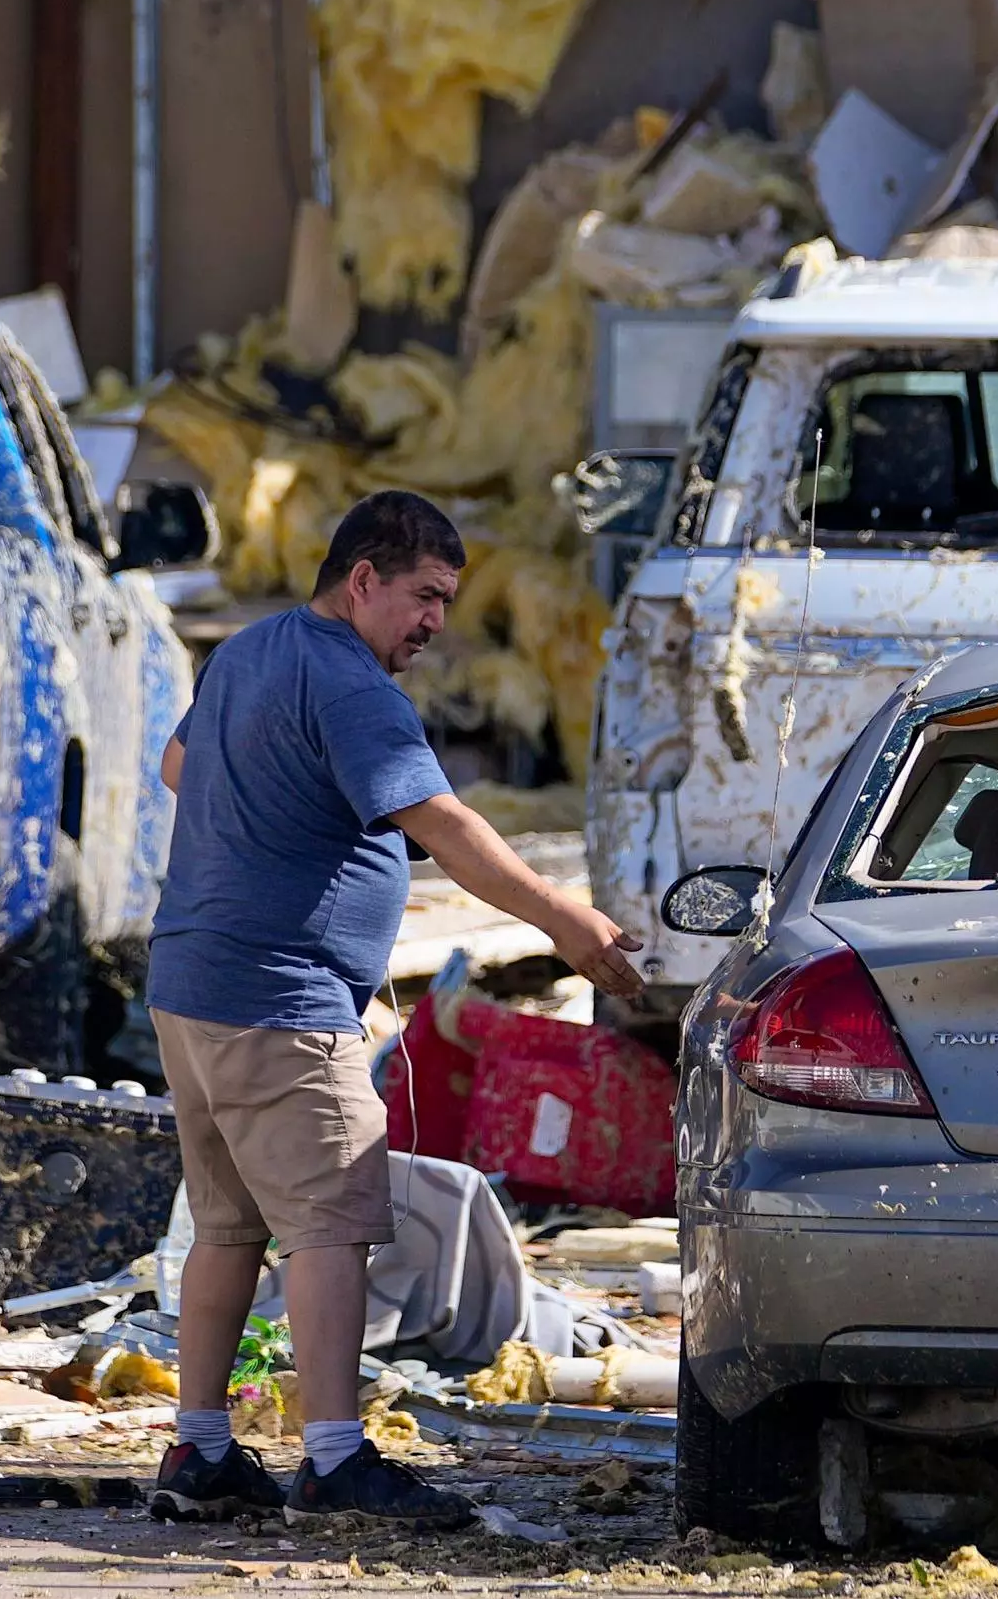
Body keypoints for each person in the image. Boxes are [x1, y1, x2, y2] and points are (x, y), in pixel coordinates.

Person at [144, 488, 647, 1525]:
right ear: (361, 578)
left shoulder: (248, 651)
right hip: (279, 997)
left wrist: (269, 822)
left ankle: (198, 1453)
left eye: (447, 603)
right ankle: (331, 1461)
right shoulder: (349, 684)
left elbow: (177, 765)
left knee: (228, 1229)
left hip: (191, 985)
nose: (432, 623)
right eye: (422, 596)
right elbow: (447, 827)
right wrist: (566, 921)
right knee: (330, 1226)